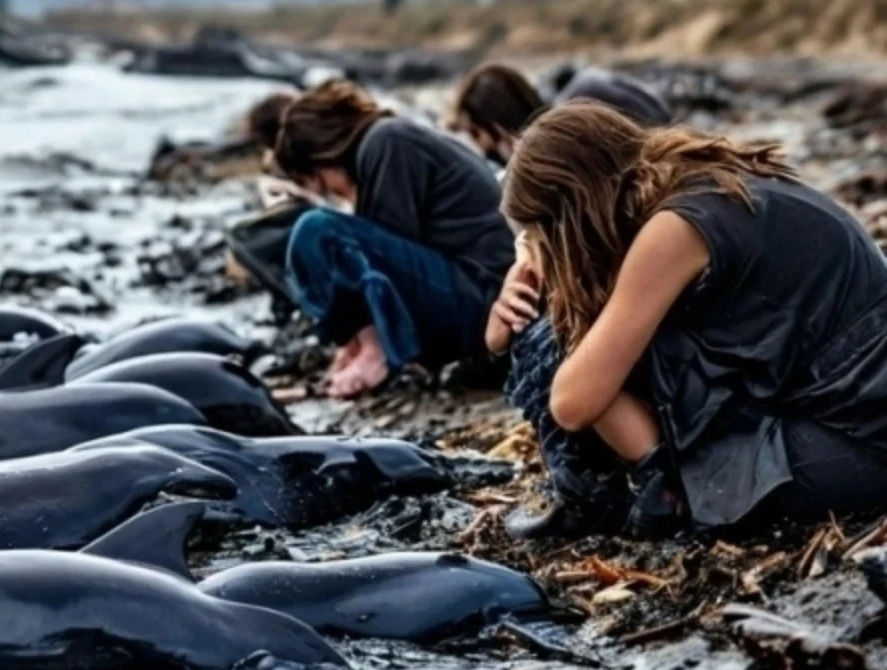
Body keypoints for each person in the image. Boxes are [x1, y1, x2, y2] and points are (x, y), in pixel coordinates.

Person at [491, 101, 887, 539]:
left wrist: (552, 283)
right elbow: (497, 340)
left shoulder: (676, 229)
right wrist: (524, 276)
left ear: (573, 215)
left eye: (545, 240)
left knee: (563, 343)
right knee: (581, 336)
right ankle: (646, 483)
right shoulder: (688, 180)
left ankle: (653, 492)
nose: (547, 255)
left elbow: (572, 402)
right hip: (840, 395)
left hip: (860, 437)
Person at [272, 79, 514, 398]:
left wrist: (371, 345)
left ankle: (377, 356)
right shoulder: (388, 138)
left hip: (484, 301)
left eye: (323, 182)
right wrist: (352, 343)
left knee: (315, 230)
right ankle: (369, 351)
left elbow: (380, 268)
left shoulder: (387, 141)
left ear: (326, 154)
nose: (333, 193)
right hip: (473, 293)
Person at [450, 62, 671, 167]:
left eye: (475, 132)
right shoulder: (577, 89)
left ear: (496, 122)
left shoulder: (563, 130)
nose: (479, 145)